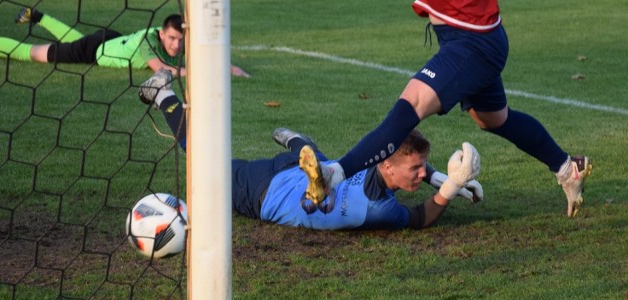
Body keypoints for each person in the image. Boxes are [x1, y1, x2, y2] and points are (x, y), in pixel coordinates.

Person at [298, 0, 592, 218]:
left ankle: (332, 175)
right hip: (474, 38)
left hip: (472, 44)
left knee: (409, 106)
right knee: (492, 119)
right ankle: (568, 169)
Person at [136, 69, 483, 230]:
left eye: (423, 168)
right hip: (262, 190)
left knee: (323, 163)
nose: (421, 173)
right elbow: (419, 218)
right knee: (202, 161)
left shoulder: (375, 161)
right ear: (387, 168)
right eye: (416, 169)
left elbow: (405, 158)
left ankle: (298, 143)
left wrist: (442, 178)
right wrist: (449, 188)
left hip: (283, 178)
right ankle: (162, 92)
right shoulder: (380, 209)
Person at [0, 8, 250, 78]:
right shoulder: (149, 41)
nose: (176, 45)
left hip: (109, 40)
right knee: (30, 53)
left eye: (180, 40)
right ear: (162, 34)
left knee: (74, 40)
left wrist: (228, 68)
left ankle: (39, 16)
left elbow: (205, 55)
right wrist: (205, 75)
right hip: (94, 51)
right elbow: (162, 70)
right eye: (171, 39)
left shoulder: (175, 34)